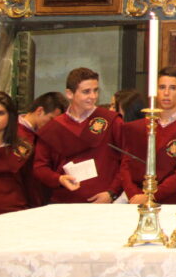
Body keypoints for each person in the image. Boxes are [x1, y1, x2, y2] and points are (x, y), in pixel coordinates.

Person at [33, 67, 123, 204]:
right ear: (69, 94)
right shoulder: (53, 128)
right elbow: (40, 167)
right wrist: (59, 179)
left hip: (105, 204)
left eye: (96, 90)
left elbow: (127, 161)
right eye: (86, 92)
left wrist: (112, 192)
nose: (93, 96)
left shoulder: (111, 121)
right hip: (65, 204)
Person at [118, 66, 176, 205]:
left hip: (171, 204)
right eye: (162, 87)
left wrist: (151, 196)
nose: (166, 93)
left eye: (173, 88)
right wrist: (134, 194)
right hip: (136, 201)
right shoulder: (140, 127)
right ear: (155, 91)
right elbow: (126, 165)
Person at [15, 92, 68, 208]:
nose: (53, 126)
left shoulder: (45, 136)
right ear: (39, 111)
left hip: (39, 199)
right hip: (18, 200)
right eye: (51, 119)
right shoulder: (13, 133)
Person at [0, 92, 29, 215]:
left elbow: (30, 185)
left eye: (0, 113)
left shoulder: (22, 148)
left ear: (10, 116)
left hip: (14, 213)